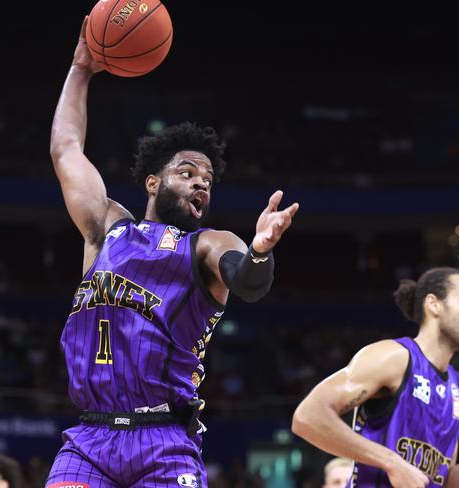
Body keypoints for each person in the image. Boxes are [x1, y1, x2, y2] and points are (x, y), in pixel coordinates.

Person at [45, 16, 299, 488]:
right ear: (153, 182)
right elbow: (66, 149)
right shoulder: (106, 228)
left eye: (207, 180)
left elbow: (248, 282)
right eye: (187, 172)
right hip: (88, 439)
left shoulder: (208, 245)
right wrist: (81, 68)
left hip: (163, 440)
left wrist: (260, 251)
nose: (201, 182)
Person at [292, 267, 459, 488]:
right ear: (433, 304)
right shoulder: (394, 357)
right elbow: (308, 417)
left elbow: (447, 476)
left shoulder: (455, 387)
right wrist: (391, 462)